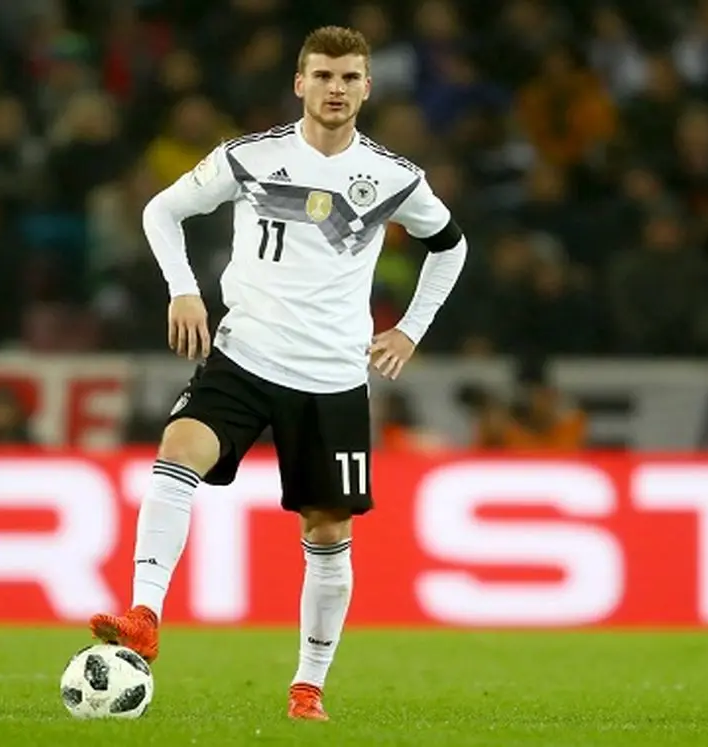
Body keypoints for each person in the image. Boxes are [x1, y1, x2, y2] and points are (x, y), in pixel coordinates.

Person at [87, 26, 468, 722]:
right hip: (245, 354)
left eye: (348, 78)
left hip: (332, 377)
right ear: (300, 83)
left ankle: (307, 687)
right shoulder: (250, 157)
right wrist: (183, 290)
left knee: (327, 532)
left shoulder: (394, 177)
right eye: (323, 75)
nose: (335, 89)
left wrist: (412, 328)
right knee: (179, 448)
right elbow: (161, 210)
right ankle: (144, 615)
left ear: (367, 87)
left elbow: (450, 245)